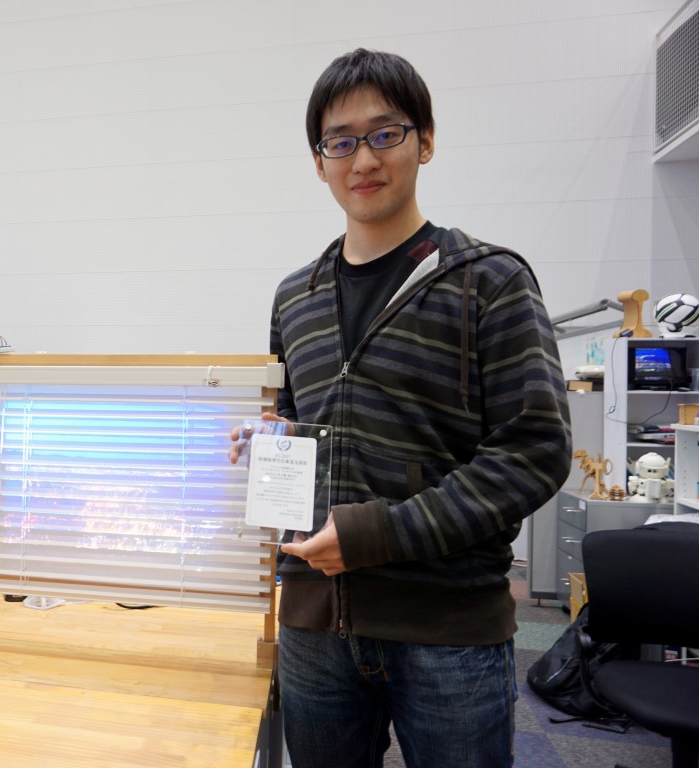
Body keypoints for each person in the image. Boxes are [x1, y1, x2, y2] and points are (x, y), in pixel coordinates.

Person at [235, 50, 571, 767]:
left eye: (385, 134)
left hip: (447, 629)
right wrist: (270, 441)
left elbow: (534, 450)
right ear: (319, 161)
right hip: (314, 625)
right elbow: (298, 419)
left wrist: (376, 534)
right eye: (341, 142)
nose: (363, 159)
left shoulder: (489, 281)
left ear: (426, 141)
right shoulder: (296, 296)